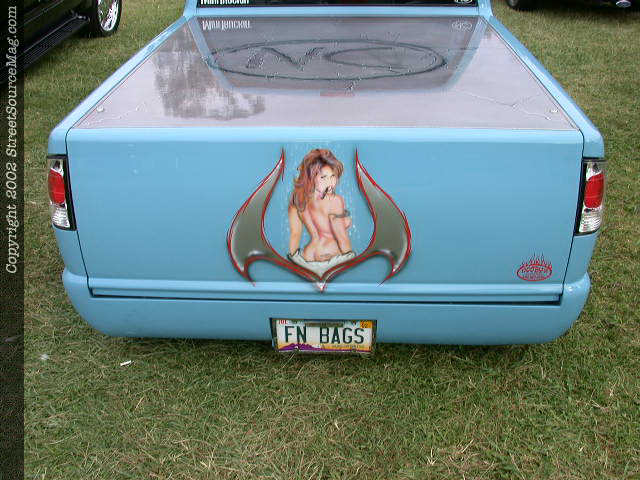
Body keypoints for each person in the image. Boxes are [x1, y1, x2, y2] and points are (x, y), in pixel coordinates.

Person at [287, 149, 355, 276]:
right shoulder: (335, 201)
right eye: (323, 177)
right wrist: (351, 260)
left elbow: (295, 236)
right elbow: (342, 238)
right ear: (311, 178)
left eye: (333, 176)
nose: (330, 182)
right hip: (330, 258)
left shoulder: (297, 201)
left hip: (307, 258)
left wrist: (294, 263)